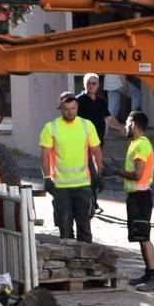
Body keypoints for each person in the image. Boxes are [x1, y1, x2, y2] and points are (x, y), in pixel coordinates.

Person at [39, 94, 102, 242]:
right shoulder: (51, 127)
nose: (70, 112)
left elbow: (96, 151)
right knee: (65, 226)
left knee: (84, 226)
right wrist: (47, 177)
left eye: (73, 108)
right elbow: (44, 155)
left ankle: (86, 260)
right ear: (60, 109)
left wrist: (99, 174)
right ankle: (68, 261)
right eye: (66, 109)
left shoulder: (87, 125)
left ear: (77, 107)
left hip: (83, 184)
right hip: (60, 185)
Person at [122, 109, 154, 290]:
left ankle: (153, 277)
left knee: (144, 237)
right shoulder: (136, 143)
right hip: (137, 196)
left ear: (133, 124)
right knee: (140, 235)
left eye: (127, 122)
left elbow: (137, 174)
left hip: (141, 196)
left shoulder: (141, 145)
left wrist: (116, 171)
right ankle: (148, 273)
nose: (125, 126)